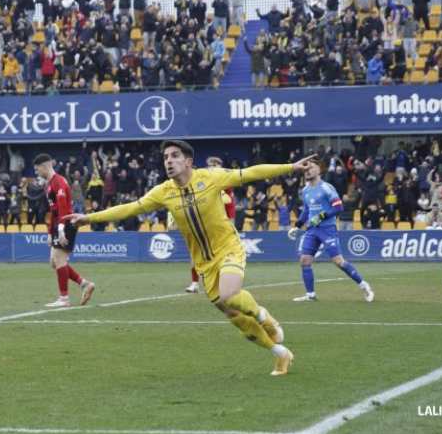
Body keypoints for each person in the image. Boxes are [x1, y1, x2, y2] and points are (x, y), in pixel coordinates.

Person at [65, 140, 316, 376]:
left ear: (188, 161)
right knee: (234, 316)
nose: (168, 161)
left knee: (229, 294)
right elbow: (131, 208)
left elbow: (250, 173)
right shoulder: (164, 191)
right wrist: (89, 218)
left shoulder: (210, 177)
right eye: (165, 157)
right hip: (203, 264)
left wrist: (290, 167)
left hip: (228, 248)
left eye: (175, 156)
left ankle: (264, 316)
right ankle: (280, 353)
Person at [288, 160, 374, 303]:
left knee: (338, 261)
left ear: (319, 170)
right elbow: (307, 210)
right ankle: (310, 295)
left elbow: (338, 207)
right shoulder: (305, 190)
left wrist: (320, 217)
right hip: (312, 230)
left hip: (327, 229)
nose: (307, 171)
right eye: (306, 169)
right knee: (304, 260)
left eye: (311, 168)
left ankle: (364, 286)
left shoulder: (327, 188)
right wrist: (297, 226)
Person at [33, 154, 95, 308]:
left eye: (37, 169)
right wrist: (50, 232)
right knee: (54, 262)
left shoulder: (59, 182)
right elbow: (53, 211)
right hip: (58, 225)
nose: (37, 172)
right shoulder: (49, 184)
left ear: (44, 166)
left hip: (66, 224)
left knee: (59, 260)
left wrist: (61, 230)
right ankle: (84, 284)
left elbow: (63, 209)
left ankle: (64, 298)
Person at [186, 156, 236, 293]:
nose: (212, 167)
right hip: (204, 222)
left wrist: (230, 223)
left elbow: (230, 205)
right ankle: (195, 283)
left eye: (215, 165)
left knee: (221, 256)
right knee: (195, 254)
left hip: (221, 224)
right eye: (210, 165)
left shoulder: (226, 182)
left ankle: (222, 282)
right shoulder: (203, 182)